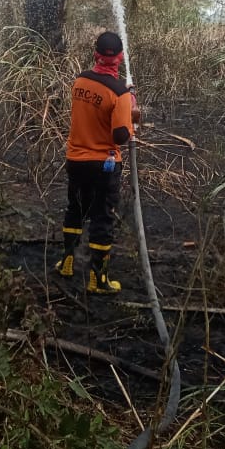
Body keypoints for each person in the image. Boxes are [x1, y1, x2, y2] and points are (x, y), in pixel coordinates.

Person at [55, 31, 140, 293]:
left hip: (76, 160)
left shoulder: (79, 81)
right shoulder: (119, 94)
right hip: (104, 164)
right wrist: (131, 112)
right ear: (120, 57)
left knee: (76, 209)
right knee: (102, 218)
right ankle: (99, 279)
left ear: (96, 54)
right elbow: (120, 136)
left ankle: (66, 262)